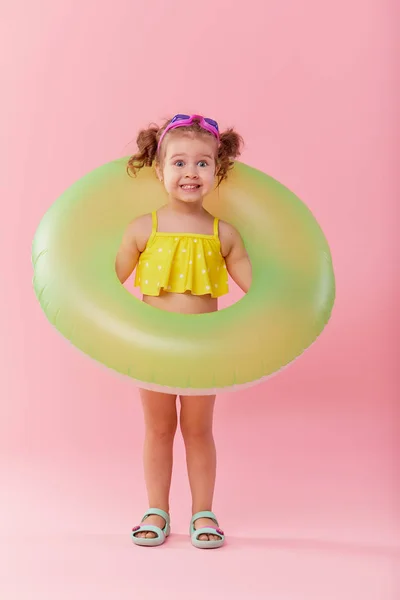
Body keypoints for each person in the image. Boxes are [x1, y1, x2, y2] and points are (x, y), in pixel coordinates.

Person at [115, 114, 252, 549]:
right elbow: (104, 285)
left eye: (202, 163)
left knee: (198, 430)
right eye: (178, 163)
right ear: (159, 170)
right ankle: (156, 508)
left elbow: (261, 290)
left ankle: (203, 512)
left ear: (218, 170)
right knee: (157, 429)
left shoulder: (223, 234)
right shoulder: (143, 229)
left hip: (200, 351)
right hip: (154, 349)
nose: (190, 173)